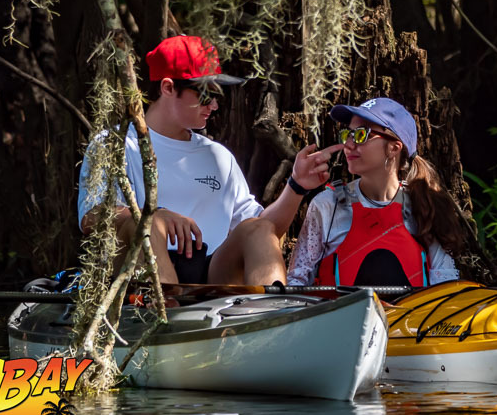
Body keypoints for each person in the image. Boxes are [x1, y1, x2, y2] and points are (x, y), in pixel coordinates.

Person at [78, 35, 340, 285]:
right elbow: (91, 217)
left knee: (259, 229)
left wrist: (296, 186)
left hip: (212, 277)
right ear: (168, 87)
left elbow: (266, 228)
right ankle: (165, 307)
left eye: (217, 96)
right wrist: (155, 215)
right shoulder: (114, 144)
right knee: (145, 223)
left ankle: (272, 311)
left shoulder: (219, 156)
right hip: (139, 277)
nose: (213, 105)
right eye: (205, 95)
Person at [287, 97, 466, 287]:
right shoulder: (327, 205)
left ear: (393, 148)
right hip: (343, 308)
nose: (349, 145)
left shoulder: (423, 205)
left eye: (361, 135)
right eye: (347, 134)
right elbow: (297, 281)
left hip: (412, 307)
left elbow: (445, 286)